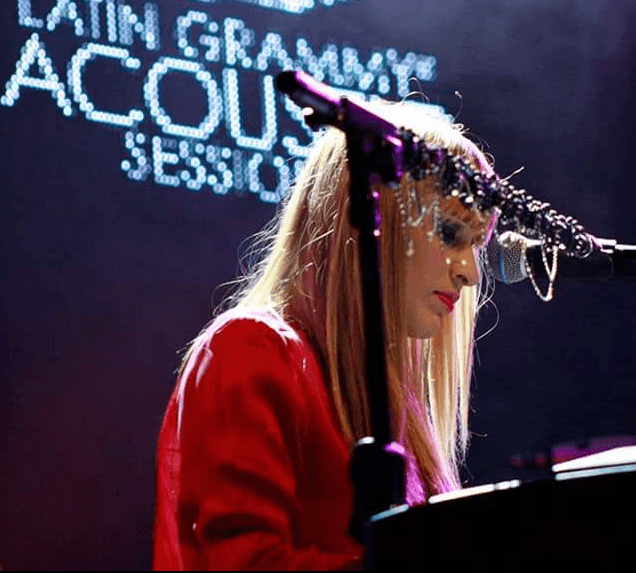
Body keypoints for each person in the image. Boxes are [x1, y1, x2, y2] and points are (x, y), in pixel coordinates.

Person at [153, 101, 497, 570]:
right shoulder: (249, 350)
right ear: (369, 218)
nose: (471, 273)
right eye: (450, 232)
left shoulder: (397, 413)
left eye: (477, 244)